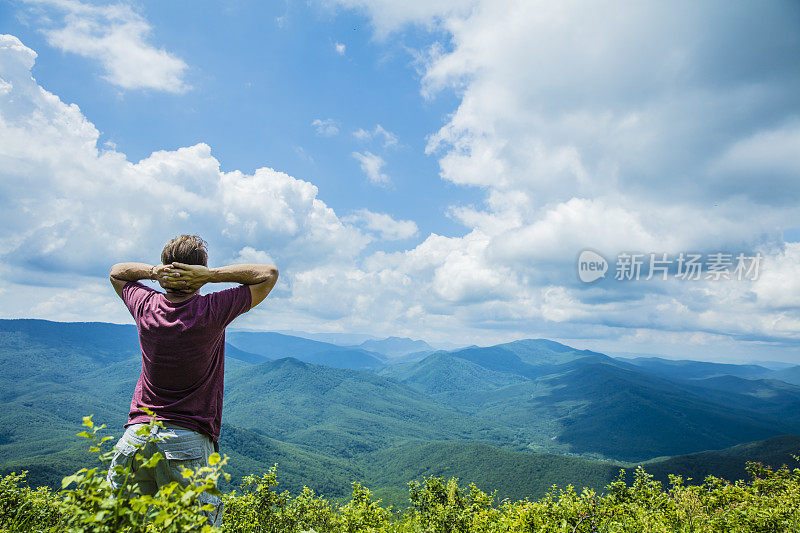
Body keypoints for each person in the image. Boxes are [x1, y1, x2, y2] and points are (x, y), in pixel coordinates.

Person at [106, 235, 278, 525]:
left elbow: (116, 272)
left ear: (165, 273)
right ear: (197, 274)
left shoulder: (146, 306)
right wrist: (210, 276)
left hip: (136, 438)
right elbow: (268, 275)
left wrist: (152, 273)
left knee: (117, 526)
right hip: (186, 441)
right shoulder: (212, 310)